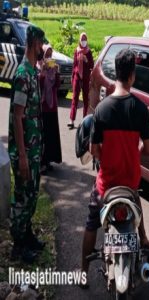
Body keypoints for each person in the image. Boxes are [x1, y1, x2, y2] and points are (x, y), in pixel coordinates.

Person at [80, 49, 149, 287]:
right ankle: (142, 239)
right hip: (130, 184)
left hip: (106, 187)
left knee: (92, 221)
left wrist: (105, 156)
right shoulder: (140, 109)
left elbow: (93, 149)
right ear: (132, 76)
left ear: (117, 75)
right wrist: (135, 150)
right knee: (137, 204)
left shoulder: (102, 109)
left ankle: (83, 272)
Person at [8, 25, 46, 263]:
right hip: (24, 151)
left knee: (31, 195)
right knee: (22, 197)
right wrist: (22, 155)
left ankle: (27, 234)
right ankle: (18, 245)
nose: (43, 48)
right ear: (34, 43)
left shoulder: (32, 71)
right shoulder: (22, 74)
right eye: (41, 43)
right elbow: (17, 116)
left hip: (33, 151)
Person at [38, 44, 62, 172]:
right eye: (47, 54)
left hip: (52, 106)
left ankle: (49, 160)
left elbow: (57, 85)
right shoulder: (39, 65)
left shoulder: (52, 69)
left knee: (51, 135)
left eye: (50, 55)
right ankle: (42, 161)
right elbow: (40, 84)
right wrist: (43, 70)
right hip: (44, 106)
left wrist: (57, 72)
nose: (48, 57)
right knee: (44, 135)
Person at [68, 32, 94, 129]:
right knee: (74, 98)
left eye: (85, 39)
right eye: (82, 39)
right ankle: (71, 120)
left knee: (86, 99)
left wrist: (86, 60)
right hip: (77, 77)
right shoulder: (77, 50)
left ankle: (84, 121)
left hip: (86, 78)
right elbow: (74, 65)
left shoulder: (88, 52)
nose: (83, 41)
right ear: (79, 40)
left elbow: (92, 65)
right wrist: (72, 76)